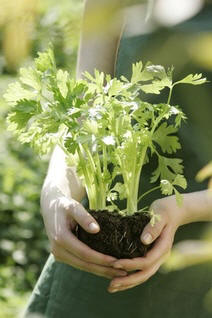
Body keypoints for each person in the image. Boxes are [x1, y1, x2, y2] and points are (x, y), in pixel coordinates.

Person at [24, 0, 212, 317]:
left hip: (200, 263)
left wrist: (185, 209)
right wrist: (57, 190)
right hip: (102, 243)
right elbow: (86, 109)